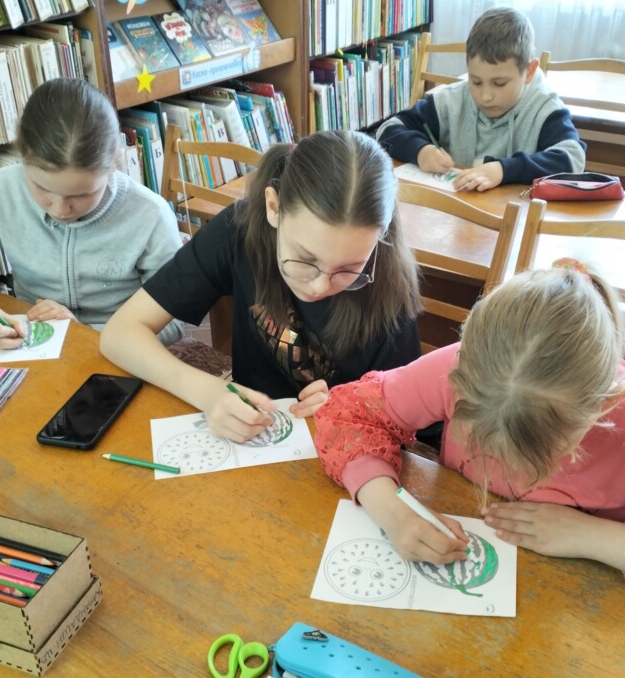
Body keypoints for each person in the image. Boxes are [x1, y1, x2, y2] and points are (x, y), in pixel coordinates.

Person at [313, 262, 625, 610]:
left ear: (600, 408)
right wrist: (390, 509)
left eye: (537, 454)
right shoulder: (466, 367)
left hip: (599, 601)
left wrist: (594, 536)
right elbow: (347, 412)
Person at [100, 129, 423, 443]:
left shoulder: (390, 285)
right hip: (251, 433)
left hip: (341, 444)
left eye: (349, 269)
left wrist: (349, 408)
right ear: (273, 208)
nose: (319, 286)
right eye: (304, 259)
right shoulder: (239, 229)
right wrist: (207, 391)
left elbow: (411, 423)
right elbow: (120, 333)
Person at [0, 78, 185, 348]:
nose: (60, 209)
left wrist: (84, 333)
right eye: (41, 188)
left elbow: (173, 322)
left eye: (81, 195)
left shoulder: (150, 214)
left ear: (115, 162)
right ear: (22, 156)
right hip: (31, 345)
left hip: (118, 350)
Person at [376, 7, 585, 193]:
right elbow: (388, 129)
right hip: (457, 215)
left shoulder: (545, 109)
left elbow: (572, 159)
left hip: (512, 218)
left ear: (529, 71)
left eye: (499, 83)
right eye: (476, 81)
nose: (485, 96)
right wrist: (420, 150)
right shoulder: (451, 100)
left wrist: (504, 170)